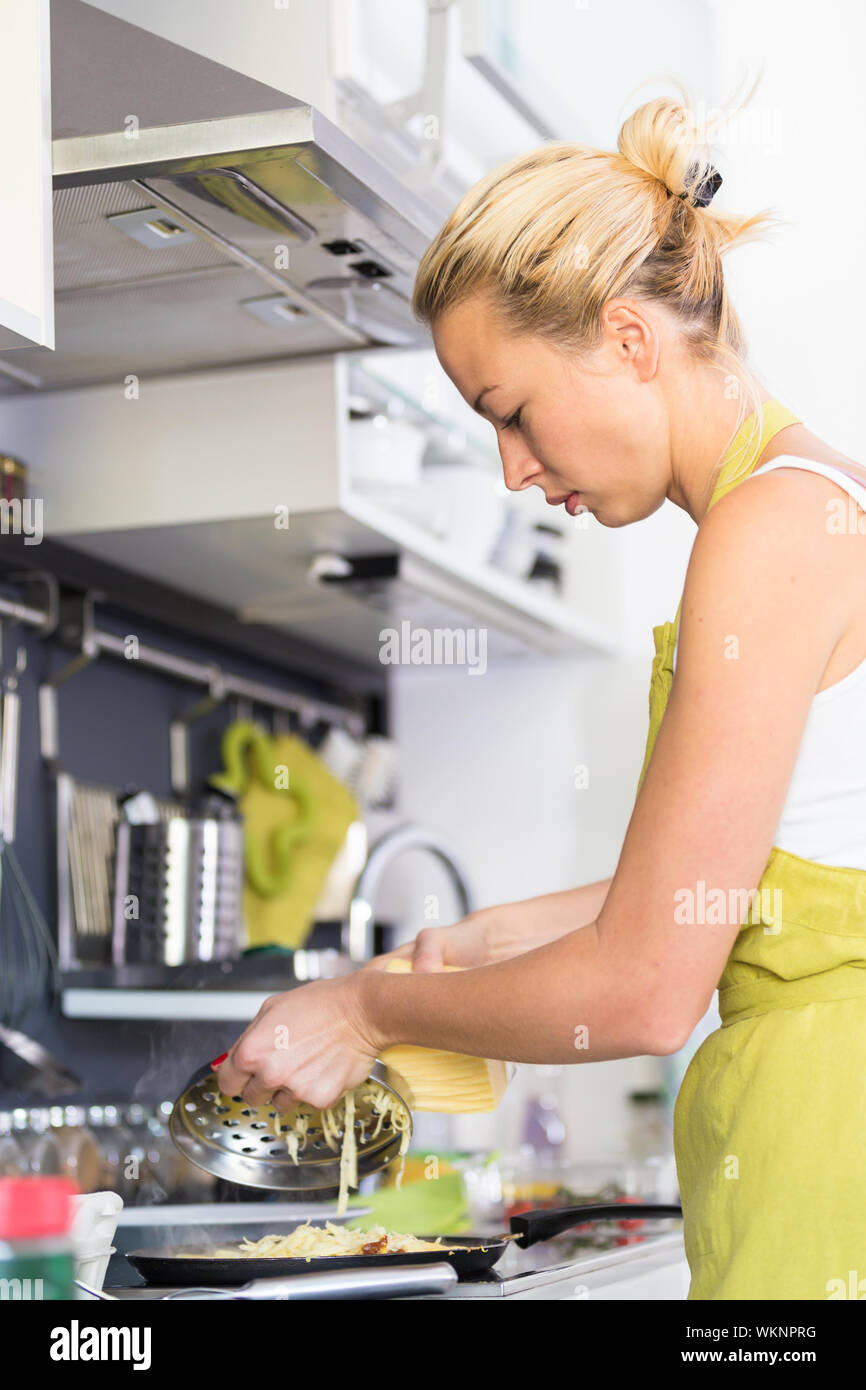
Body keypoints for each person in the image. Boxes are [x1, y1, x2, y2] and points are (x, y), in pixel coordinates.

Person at [217, 92, 866, 1299]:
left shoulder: (767, 528)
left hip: (832, 1156)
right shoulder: (817, 499)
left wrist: (364, 1007)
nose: (513, 470)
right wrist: (484, 941)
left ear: (627, 340)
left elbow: (645, 986)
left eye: (510, 414)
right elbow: (766, 876)